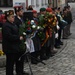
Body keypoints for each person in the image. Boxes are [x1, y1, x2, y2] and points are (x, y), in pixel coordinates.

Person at [2, 10, 29, 75]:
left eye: (13, 17)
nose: (13, 18)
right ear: (7, 18)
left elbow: (17, 32)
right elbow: (8, 36)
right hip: (10, 47)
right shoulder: (6, 26)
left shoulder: (13, 24)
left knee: (17, 61)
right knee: (10, 64)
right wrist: (18, 38)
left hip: (15, 47)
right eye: (12, 17)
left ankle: (19, 72)